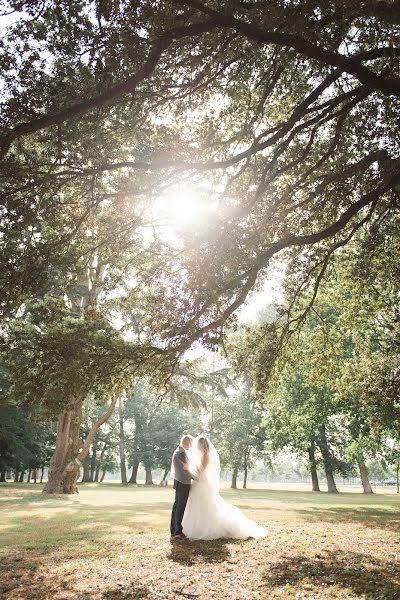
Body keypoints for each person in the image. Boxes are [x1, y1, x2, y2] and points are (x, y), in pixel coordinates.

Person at [182, 436, 268, 540]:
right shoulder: (201, 455)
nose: (196, 446)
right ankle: (197, 527)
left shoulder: (205, 456)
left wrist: (188, 468)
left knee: (205, 507)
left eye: (198, 444)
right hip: (198, 484)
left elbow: (200, 471)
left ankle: (207, 529)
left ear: (202, 445)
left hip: (202, 485)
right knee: (197, 507)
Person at [170, 434, 196, 540]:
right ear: (187, 442)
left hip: (180, 482)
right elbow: (186, 469)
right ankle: (177, 531)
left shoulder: (179, 451)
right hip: (183, 483)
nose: (191, 446)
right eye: (191, 443)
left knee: (177, 506)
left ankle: (174, 530)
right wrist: (198, 478)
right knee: (180, 507)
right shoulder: (181, 453)